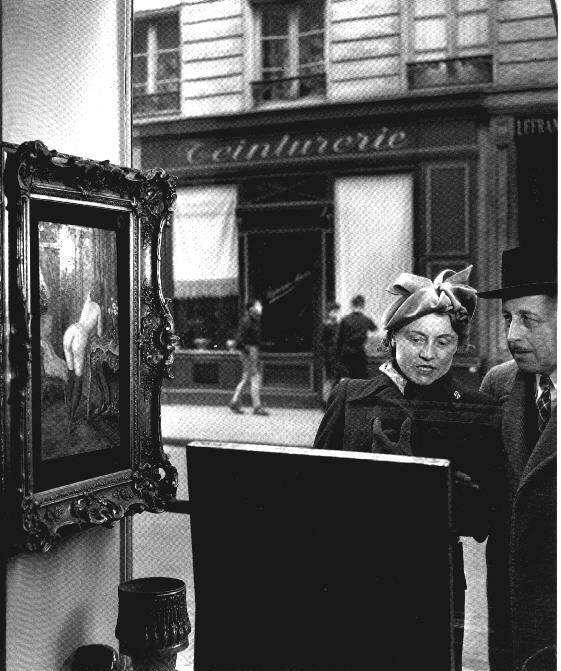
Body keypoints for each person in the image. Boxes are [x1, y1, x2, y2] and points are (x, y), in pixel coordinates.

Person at [313, 266, 501, 671]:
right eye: (416, 339)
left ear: (458, 346)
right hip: (353, 579)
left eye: (443, 341)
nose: (428, 354)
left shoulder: (477, 411)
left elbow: (484, 518)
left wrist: (427, 484)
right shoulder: (350, 398)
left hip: (432, 584)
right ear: (392, 338)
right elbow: (314, 497)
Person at [478, 246, 556, 671]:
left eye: (529, 319)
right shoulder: (497, 384)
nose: (512, 335)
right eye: (508, 317)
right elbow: (483, 500)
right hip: (511, 610)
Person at [63, 282, 103, 425]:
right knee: (79, 379)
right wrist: (95, 331)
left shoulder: (87, 302)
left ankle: (67, 408)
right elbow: (99, 333)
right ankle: (71, 417)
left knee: (71, 373)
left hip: (71, 331)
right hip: (81, 337)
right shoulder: (98, 309)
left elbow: (90, 293)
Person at [229, 298, 269, 416]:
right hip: (249, 351)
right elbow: (240, 339)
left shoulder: (254, 320)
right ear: (251, 309)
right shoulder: (247, 321)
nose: (260, 307)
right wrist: (248, 353)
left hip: (251, 350)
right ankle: (257, 406)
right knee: (255, 376)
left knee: (247, 377)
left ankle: (235, 401)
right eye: (258, 305)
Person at [335, 294, 377, 379]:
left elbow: (339, 338)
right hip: (360, 352)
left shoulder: (345, 320)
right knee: (360, 377)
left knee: (347, 377)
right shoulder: (366, 319)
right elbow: (374, 330)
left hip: (347, 352)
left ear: (352, 305)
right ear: (363, 306)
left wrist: (338, 355)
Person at [320, 300, 341, 405]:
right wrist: (327, 354)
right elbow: (322, 342)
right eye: (334, 311)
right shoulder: (326, 325)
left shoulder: (338, 324)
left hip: (338, 356)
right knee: (329, 379)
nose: (336, 314)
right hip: (330, 356)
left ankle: (334, 402)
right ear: (329, 312)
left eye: (337, 311)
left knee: (336, 379)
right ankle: (326, 402)